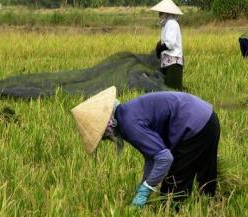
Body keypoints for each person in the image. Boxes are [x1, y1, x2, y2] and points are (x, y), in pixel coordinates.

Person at [71, 86, 221, 208]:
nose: (106, 139)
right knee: (206, 170)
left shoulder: (128, 124)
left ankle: (176, 210)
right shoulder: (127, 113)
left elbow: (164, 158)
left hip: (194, 126)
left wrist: (146, 189)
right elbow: (151, 157)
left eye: (103, 136)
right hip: (208, 117)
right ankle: (210, 206)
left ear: (107, 126)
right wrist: (144, 184)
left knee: (173, 189)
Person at [151, 0, 184, 90]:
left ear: (166, 13)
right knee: (168, 90)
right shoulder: (167, 24)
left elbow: (171, 44)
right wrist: (160, 46)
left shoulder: (171, 23)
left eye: (161, 12)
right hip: (169, 62)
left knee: (173, 91)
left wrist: (160, 48)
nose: (159, 14)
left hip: (173, 63)